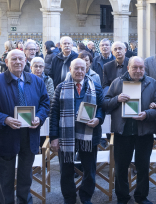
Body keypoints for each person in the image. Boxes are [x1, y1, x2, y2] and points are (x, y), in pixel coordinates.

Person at [0, 49, 50, 204]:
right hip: (6, 135)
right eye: (14, 59)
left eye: (21, 59)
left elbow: (45, 104)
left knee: (26, 177)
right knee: (5, 178)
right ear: (6, 62)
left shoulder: (36, 81)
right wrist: (5, 119)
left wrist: (39, 117)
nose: (18, 62)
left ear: (25, 61)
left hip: (30, 135)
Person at [103, 56, 156, 204]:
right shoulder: (117, 83)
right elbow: (105, 104)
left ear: (144, 68)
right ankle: (122, 197)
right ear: (128, 68)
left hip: (144, 132)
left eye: (141, 67)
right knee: (120, 167)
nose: (138, 70)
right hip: (122, 132)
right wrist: (117, 99)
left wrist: (147, 114)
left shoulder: (152, 83)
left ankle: (141, 197)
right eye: (135, 67)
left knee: (143, 167)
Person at [48, 58, 104, 204]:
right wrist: (54, 137)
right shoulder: (60, 88)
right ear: (70, 70)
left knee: (89, 171)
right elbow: (54, 114)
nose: (79, 71)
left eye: (82, 68)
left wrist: (98, 119)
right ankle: (69, 198)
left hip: (89, 135)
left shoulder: (96, 87)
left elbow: (102, 108)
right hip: (66, 136)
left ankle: (86, 197)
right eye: (76, 68)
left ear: (86, 69)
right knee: (66, 171)